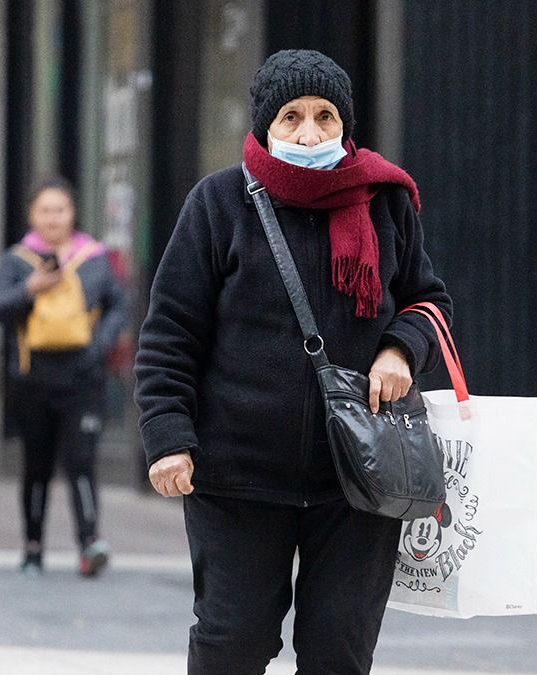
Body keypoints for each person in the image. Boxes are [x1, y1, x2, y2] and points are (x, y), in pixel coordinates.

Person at [134, 50, 452, 673]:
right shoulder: (218, 203)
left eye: (324, 116)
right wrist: (168, 437)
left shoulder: (385, 202)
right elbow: (170, 332)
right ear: (265, 125)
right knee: (233, 643)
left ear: (345, 123)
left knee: (339, 651)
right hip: (238, 474)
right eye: (292, 117)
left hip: (359, 475)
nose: (309, 133)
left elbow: (429, 302)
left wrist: (400, 348)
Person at [0, 177, 127, 578]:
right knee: (37, 465)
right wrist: (28, 289)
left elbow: (118, 306)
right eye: (45, 210)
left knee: (81, 459)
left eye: (60, 210)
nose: (53, 218)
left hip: (83, 378)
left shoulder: (95, 258)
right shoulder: (17, 261)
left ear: (73, 213)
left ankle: (89, 542)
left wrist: (98, 346)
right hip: (32, 379)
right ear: (32, 215)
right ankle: (33, 546)